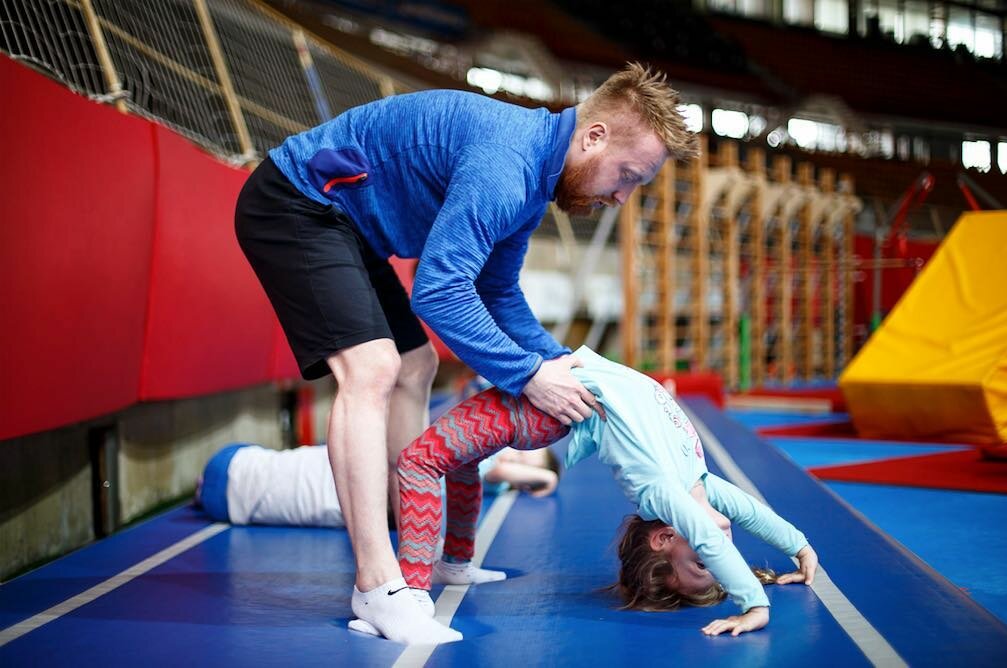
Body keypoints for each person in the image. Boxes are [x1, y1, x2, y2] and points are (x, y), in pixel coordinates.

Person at [234, 62, 696, 643]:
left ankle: (414, 560)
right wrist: (531, 375)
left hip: (349, 228)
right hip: (295, 201)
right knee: (372, 368)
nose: (622, 196)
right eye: (626, 176)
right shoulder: (508, 164)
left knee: (416, 364)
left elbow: (496, 291)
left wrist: (575, 367)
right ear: (594, 136)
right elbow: (441, 288)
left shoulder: (534, 181)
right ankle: (378, 587)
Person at [393, 346, 818, 637]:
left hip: (541, 407)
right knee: (461, 461)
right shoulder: (697, 482)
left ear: (666, 537)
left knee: (418, 462)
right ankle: (455, 563)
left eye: (702, 563)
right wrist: (798, 546)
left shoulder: (659, 491)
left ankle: (411, 596)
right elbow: (752, 513)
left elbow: (707, 537)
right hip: (557, 393)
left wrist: (755, 606)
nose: (723, 550)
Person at [192, 442, 560, 528]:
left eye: (527, 459)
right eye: (522, 451)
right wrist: (543, 476)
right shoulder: (470, 462)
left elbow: (493, 472)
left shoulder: (479, 481)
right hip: (232, 468)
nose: (515, 457)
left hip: (226, 484)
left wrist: (538, 475)